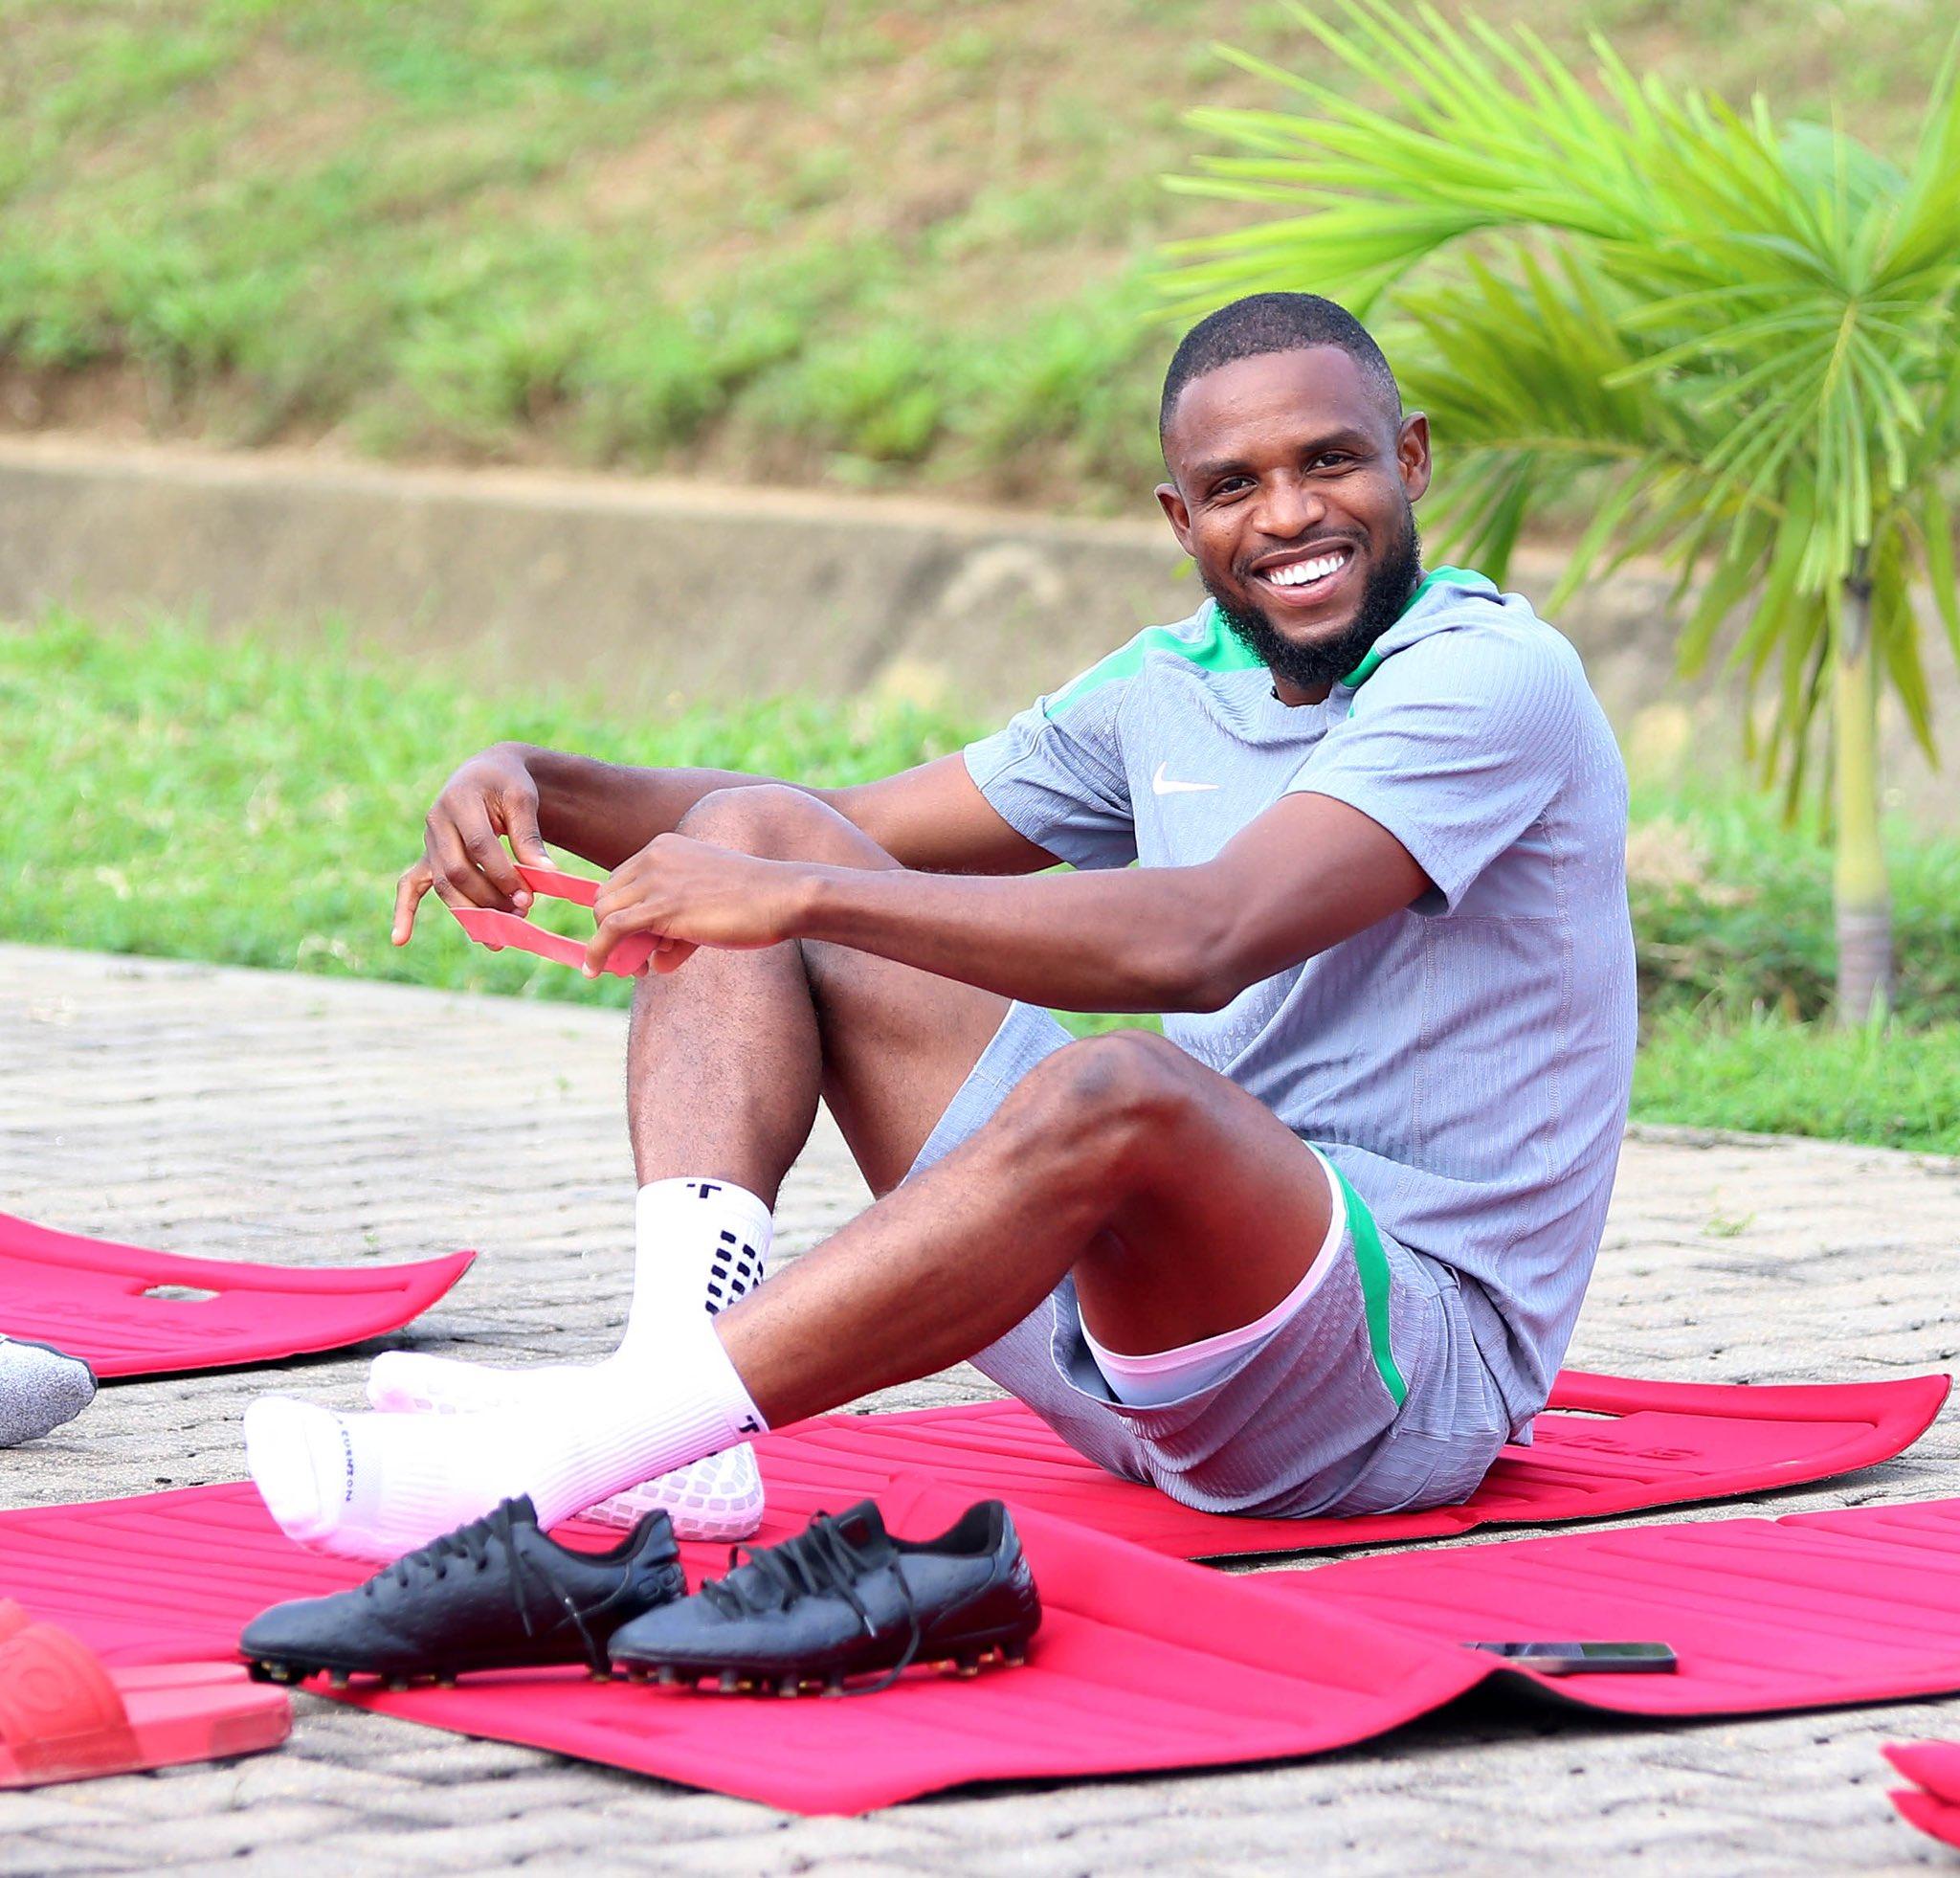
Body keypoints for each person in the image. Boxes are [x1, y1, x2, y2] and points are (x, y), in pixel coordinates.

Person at [245, 292, 1636, 1564]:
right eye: (1234, 486)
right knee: (756, 828)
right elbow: (826, 826)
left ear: (1412, 459)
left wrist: (806, 897)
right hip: (1136, 1342)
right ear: (1179, 517)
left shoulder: (1486, 677)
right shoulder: (1171, 683)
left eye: (1330, 462)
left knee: (1117, 1085)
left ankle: (574, 1452)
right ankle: (677, 1420)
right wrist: (536, 783)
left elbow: (1208, 936)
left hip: (1391, 1390)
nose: (1288, 515)